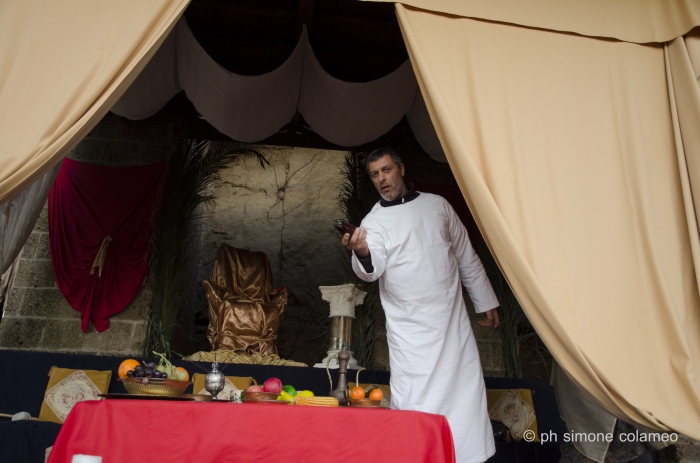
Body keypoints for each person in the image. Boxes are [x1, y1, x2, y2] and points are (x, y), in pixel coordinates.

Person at [342, 148, 500, 463]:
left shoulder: (438, 206)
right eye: (375, 174)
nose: (381, 179)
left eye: (386, 170)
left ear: (400, 169)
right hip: (409, 335)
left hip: (451, 327)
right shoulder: (374, 221)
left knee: (463, 403)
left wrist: (485, 302)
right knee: (414, 404)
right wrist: (360, 250)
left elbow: (466, 256)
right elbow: (371, 269)